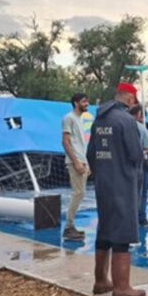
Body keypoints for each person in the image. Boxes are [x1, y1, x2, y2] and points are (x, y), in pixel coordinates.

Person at [86, 83, 146, 296]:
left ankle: (101, 280)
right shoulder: (126, 121)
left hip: (103, 183)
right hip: (122, 183)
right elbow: (136, 154)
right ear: (130, 98)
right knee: (122, 233)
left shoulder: (99, 120)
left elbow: (91, 153)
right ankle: (122, 287)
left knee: (105, 230)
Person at [61, 92, 89, 242]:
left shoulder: (78, 119)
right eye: (84, 101)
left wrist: (85, 162)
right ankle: (68, 227)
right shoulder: (69, 118)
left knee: (80, 193)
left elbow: (79, 143)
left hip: (81, 160)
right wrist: (76, 161)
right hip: (75, 161)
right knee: (78, 193)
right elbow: (65, 142)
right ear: (76, 103)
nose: (87, 104)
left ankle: (70, 226)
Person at [128, 105, 148, 229]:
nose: (141, 118)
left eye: (144, 116)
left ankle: (141, 218)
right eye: (140, 115)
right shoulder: (129, 127)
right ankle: (133, 218)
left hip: (145, 166)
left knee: (142, 193)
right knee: (134, 193)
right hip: (133, 167)